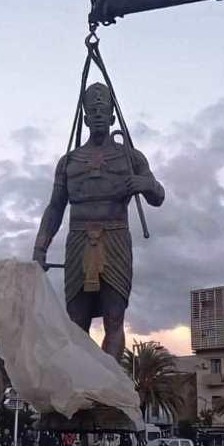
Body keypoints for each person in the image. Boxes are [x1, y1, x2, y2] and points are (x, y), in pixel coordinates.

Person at [33, 82, 165, 362]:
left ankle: (109, 380)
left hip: (115, 239)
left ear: (112, 116)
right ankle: (81, 379)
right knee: (76, 321)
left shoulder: (131, 157)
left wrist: (145, 184)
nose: (98, 115)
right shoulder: (68, 162)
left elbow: (158, 196)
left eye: (103, 111)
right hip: (78, 240)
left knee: (114, 318)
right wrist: (40, 248)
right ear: (85, 118)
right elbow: (55, 207)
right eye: (92, 112)